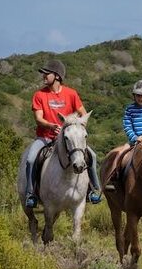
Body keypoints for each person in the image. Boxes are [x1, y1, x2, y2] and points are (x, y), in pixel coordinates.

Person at [23, 59, 102, 207]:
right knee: (31, 159)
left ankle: (93, 190)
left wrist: (74, 127)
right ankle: (31, 194)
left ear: (57, 76)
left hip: (69, 140)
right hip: (45, 137)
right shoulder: (39, 95)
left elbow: (83, 114)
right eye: (43, 73)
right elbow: (39, 119)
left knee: (92, 155)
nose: (44, 76)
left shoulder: (71, 93)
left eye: (47, 73)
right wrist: (51, 126)